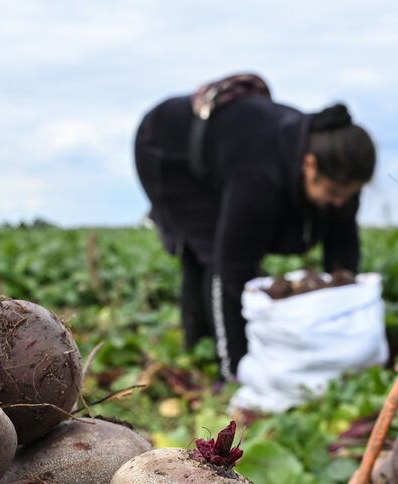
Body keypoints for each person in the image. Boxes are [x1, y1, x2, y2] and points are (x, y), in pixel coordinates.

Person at [133, 74, 376, 379]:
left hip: (227, 149)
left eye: (349, 195)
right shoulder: (260, 176)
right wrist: (243, 372)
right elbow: (233, 266)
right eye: (333, 193)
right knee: (207, 253)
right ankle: (223, 366)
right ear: (310, 165)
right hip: (167, 148)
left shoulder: (339, 180)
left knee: (223, 249)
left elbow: (343, 260)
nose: (340, 202)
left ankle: (215, 351)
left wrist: (339, 324)